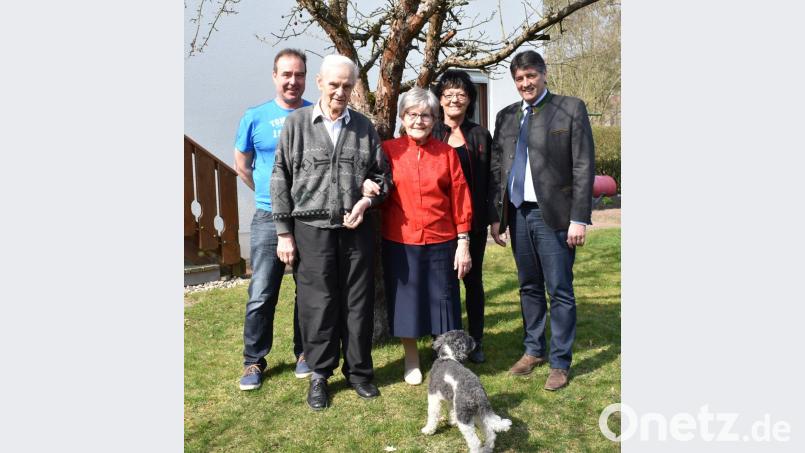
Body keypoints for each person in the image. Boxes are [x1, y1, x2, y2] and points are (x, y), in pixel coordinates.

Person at [271, 54, 391, 410]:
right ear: (320, 83)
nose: (340, 91)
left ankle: (359, 373)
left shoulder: (364, 128)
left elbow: (383, 178)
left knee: (358, 302)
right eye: (334, 84)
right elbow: (280, 178)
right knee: (318, 304)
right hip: (311, 228)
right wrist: (283, 232)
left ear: (354, 88)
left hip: (356, 228)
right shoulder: (296, 124)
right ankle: (320, 375)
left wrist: (368, 200)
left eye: (347, 85)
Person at [490, 50, 594, 391]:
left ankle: (560, 363)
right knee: (528, 286)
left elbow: (583, 166)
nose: (525, 83)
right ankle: (534, 350)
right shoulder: (506, 117)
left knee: (560, 290)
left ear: (544, 74)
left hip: (555, 217)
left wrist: (579, 218)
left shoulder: (570, 108)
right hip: (518, 214)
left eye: (531, 76)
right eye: (519, 79)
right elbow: (498, 169)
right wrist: (497, 216)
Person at [380, 87, 473, 385]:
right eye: (412, 114)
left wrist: (463, 242)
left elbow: (460, 197)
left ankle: (446, 361)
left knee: (443, 302)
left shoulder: (446, 154)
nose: (418, 120)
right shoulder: (388, 151)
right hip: (401, 239)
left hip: (441, 239)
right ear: (402, 117)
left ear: (435, 120)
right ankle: (411, 360)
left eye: (425, 115)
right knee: (406, 302)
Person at [233, 48, 312, 391]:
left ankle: (304, 352)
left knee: (308, 290)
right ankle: (253, 360)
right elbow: (242, 164)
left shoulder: (315, 113)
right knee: (263, 292)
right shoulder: (256, 116)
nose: (293, 81)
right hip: (268, 216)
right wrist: (267, 196)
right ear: (275, 76)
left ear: (306, 78)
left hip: (310, 216)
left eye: (299, 75)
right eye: (286, 74)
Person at [431, 70, 497, 363]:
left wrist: (495, 217)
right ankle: (444, 341)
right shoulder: (430, 132)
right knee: (443, 286)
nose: (454, 99)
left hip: (474, 222)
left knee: (473, 281)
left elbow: (492, 179)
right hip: (437, 223)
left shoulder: (480, 134)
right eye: (448, 94)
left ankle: (476, 340)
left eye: (461, 93)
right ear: (440, 99)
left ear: (470, 99)